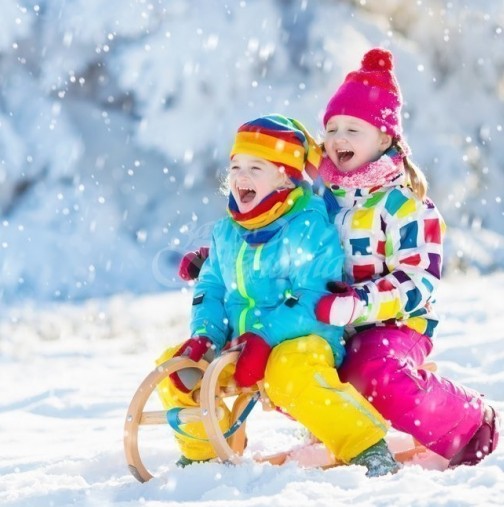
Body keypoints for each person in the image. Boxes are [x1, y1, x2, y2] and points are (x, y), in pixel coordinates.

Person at [158, 114, 399, 476]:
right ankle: (203, 450)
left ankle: (366, 445)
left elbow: (313, 294)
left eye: (257, 167)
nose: (242, 176)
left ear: (284, 176)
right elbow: (210, 288)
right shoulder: (227, 232)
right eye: (237, 166)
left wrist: (266, 336)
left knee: (287, 372)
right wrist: (205, 336)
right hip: (238, 345)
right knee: (173, 368)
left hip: (304, 338)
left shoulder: (308, 227)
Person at [314, 47, 500, 467]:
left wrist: (359, 304)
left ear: (384, 138)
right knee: (296, 364)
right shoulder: (320, 198)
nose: (338, 138)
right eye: (332, 128)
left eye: (353, 129)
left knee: (374, 373)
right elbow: (276, 230)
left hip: (399, 322)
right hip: (329, 319)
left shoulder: (405, 205)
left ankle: (471, 422)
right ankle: (343, 428)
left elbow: (420, 280)